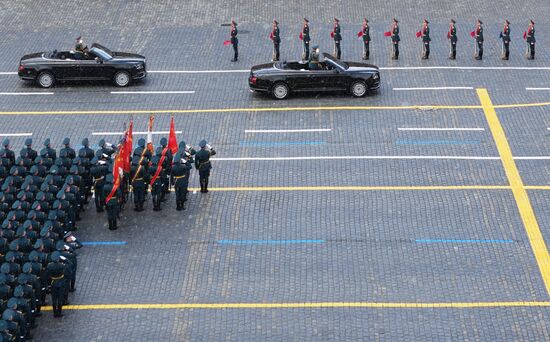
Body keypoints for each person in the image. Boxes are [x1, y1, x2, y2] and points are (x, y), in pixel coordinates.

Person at [46, 251, 67, 318]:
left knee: (54, 299)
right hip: (61, 282)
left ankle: (55, 313)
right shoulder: (61, 265)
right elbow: (68, 266)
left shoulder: (49, 265)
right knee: (60, 298)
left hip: (53, 283)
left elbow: (48, 275)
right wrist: (65, 259)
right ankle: (59, 312)